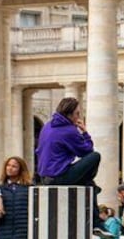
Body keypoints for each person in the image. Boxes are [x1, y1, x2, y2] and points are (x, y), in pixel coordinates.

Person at [35, 97, 104, 230]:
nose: (79, 117)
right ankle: (96, 222)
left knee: (88, 184)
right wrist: (84, 132)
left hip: (44, 176)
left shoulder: (47, 126)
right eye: (77, 113)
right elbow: (87, 151)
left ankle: (96, 220)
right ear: (69, 114)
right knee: (95, 157)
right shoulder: (69, 130)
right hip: (59, 176)